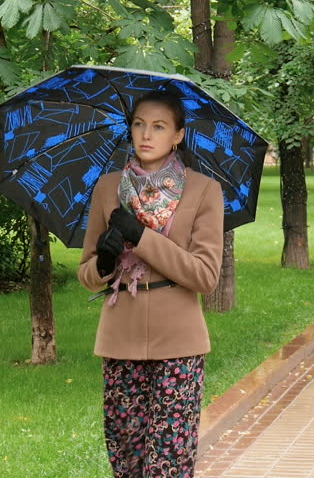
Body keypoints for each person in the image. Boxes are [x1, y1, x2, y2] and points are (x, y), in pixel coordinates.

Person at [77, 90, 224, 478]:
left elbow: (205, 276)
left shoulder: (205, 190)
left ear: (177, 135)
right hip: (119, 336)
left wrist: (141, 237)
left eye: (159, 126)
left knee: (168, 462)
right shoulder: (108, 188)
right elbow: (86, 272)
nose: (146, 134)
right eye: (139, 124)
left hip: (179, 341)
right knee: (126, 459)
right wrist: (106, 262)